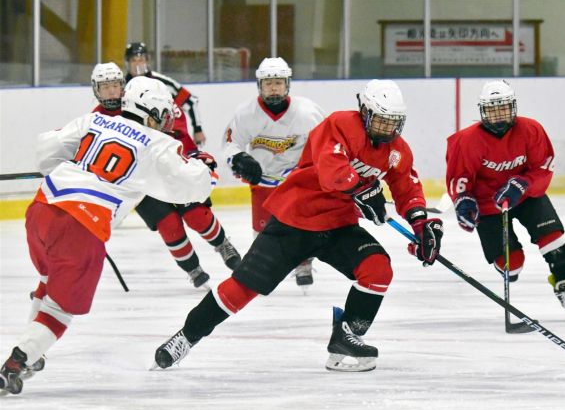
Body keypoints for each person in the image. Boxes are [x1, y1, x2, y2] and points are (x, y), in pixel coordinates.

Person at [152, 79, 444, 373]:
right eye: (381, 121)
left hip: (338, 224)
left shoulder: (397, 150)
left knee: (378, 268)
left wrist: (420, 223)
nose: (387, 129)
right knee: (243, 288)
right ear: (365, 111)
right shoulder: (339, 124)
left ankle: (346, 337)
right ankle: (186, 337)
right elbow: (332, 171)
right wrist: (363, 191)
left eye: (393, 123)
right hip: (296, 218)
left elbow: (406, 187)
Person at [0, 77, 220, 395]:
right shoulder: (159, 144)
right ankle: (17, 362)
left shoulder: (95, 119)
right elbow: (190, 188)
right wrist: (206, 166)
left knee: (50, 279)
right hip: (82, 226)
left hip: (41, 209)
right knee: (61, 308)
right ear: (152, 113)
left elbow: (46, 150)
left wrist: (70, 164)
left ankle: (33, 354)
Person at [445, 80, 565, 320]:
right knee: (512, 265)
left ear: (513, 107)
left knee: (555, 244)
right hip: (488, 203)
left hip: (526, 197)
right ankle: (509, 265)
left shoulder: (531, 129)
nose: (498, 114)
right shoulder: (466, 141)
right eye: (492, 109)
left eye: (503, 108)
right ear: (482, 111)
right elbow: (459, 180)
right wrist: (464, 202)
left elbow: (543, 169)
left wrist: (523, 184)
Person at [89, 62, 241, 289]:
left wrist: (193, 155)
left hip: (169, 170)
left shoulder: (142, 98)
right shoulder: (94, 120)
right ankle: (193, 268)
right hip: (140, 182)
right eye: (105, 87)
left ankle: (222, 244)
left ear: (123, 86)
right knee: (169, 224)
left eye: (115, 86)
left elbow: (175, 131)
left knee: (196, 215)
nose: (111, 92)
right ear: (95, 90)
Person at [223, 57, 325, 291]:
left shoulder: (307, 112)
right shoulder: (246, 113)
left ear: (287, 84)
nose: (274, 88)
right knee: (262, 231)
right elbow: (230, 144)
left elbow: (325, 143)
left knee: (301, 223)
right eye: (268, 83)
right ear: (259, 85)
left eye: (278, 83)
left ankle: (303, 262)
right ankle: (261, 269)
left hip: (297, 179)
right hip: (263, 179)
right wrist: (239, 158)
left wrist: (315, 169)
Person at [124, 41, 206, 146]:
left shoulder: (162, 82)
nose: (137, 64)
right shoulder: (121, 85)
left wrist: (197, 129)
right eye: (133, 60)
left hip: (162, 139)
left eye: (141, 60)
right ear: (127, 63)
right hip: (133, 138)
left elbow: (190, 101)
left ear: (147, 61)